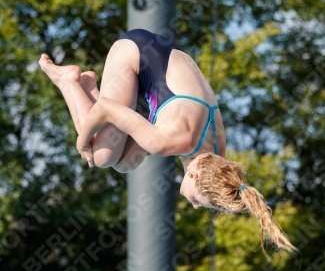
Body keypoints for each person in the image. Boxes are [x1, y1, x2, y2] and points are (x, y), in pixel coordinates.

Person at [39, 28, 296, 254]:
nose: (194, 206)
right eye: (198, 201)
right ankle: (69, 81)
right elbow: (104, 109)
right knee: (101, 155)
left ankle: (88, 85)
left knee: (127, 162)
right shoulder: (165, 141)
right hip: (134, 52)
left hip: (166, 58)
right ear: (194, 177)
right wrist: (82, 143)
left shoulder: (217, 156)